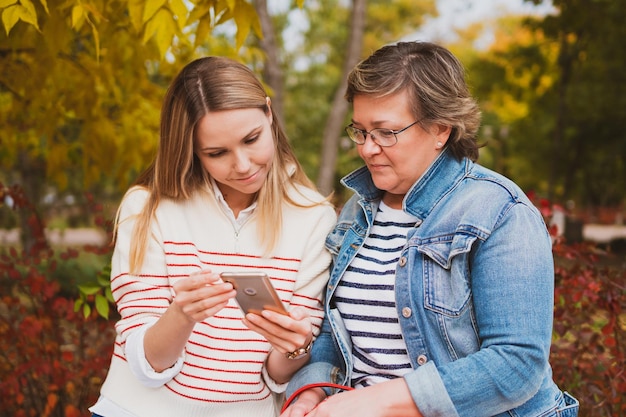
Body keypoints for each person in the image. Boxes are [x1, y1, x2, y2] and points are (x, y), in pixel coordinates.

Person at [281, 41, 579, 417]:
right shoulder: (357, 209)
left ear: (440, 129)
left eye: (385, 132)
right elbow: (334, 334)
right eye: (360, 131)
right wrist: (311, 393)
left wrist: (374, 402)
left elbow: (516, 365)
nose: (367, 149)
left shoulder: (499, 211)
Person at [89, 56, 337, 417]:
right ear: (191, 150)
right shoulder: (148, 206)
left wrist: (294, 348)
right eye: (216, 153)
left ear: (269, 114)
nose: (243, 165)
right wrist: (181, 315)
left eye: (252, 139)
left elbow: (275, 377)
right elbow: (145, 364)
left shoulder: (314, 217)